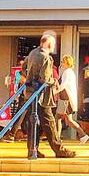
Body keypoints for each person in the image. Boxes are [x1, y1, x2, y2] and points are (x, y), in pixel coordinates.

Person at [18, 30, 75, 158]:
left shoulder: (32, 53)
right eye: (53, 44)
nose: (54, 47)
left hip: (30, 93)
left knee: (35, 123)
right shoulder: (46, 58)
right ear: (49, 45)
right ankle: (59, 150)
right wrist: (54, 81)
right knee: (49, 123)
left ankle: (33, 149)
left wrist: (28, 79)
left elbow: (23, 67)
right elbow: (45, 78)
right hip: (42, 96)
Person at [57, 53, 82, 143]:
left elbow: (63, 85)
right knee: (69, 120)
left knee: (58, 117)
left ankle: (57, 137)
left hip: (66, 99)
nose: (61, 63)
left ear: (66, 62)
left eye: (62, 62)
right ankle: (83, 135)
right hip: (69, 99)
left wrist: (55, 91)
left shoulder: (67, 72)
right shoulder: (71, 72)